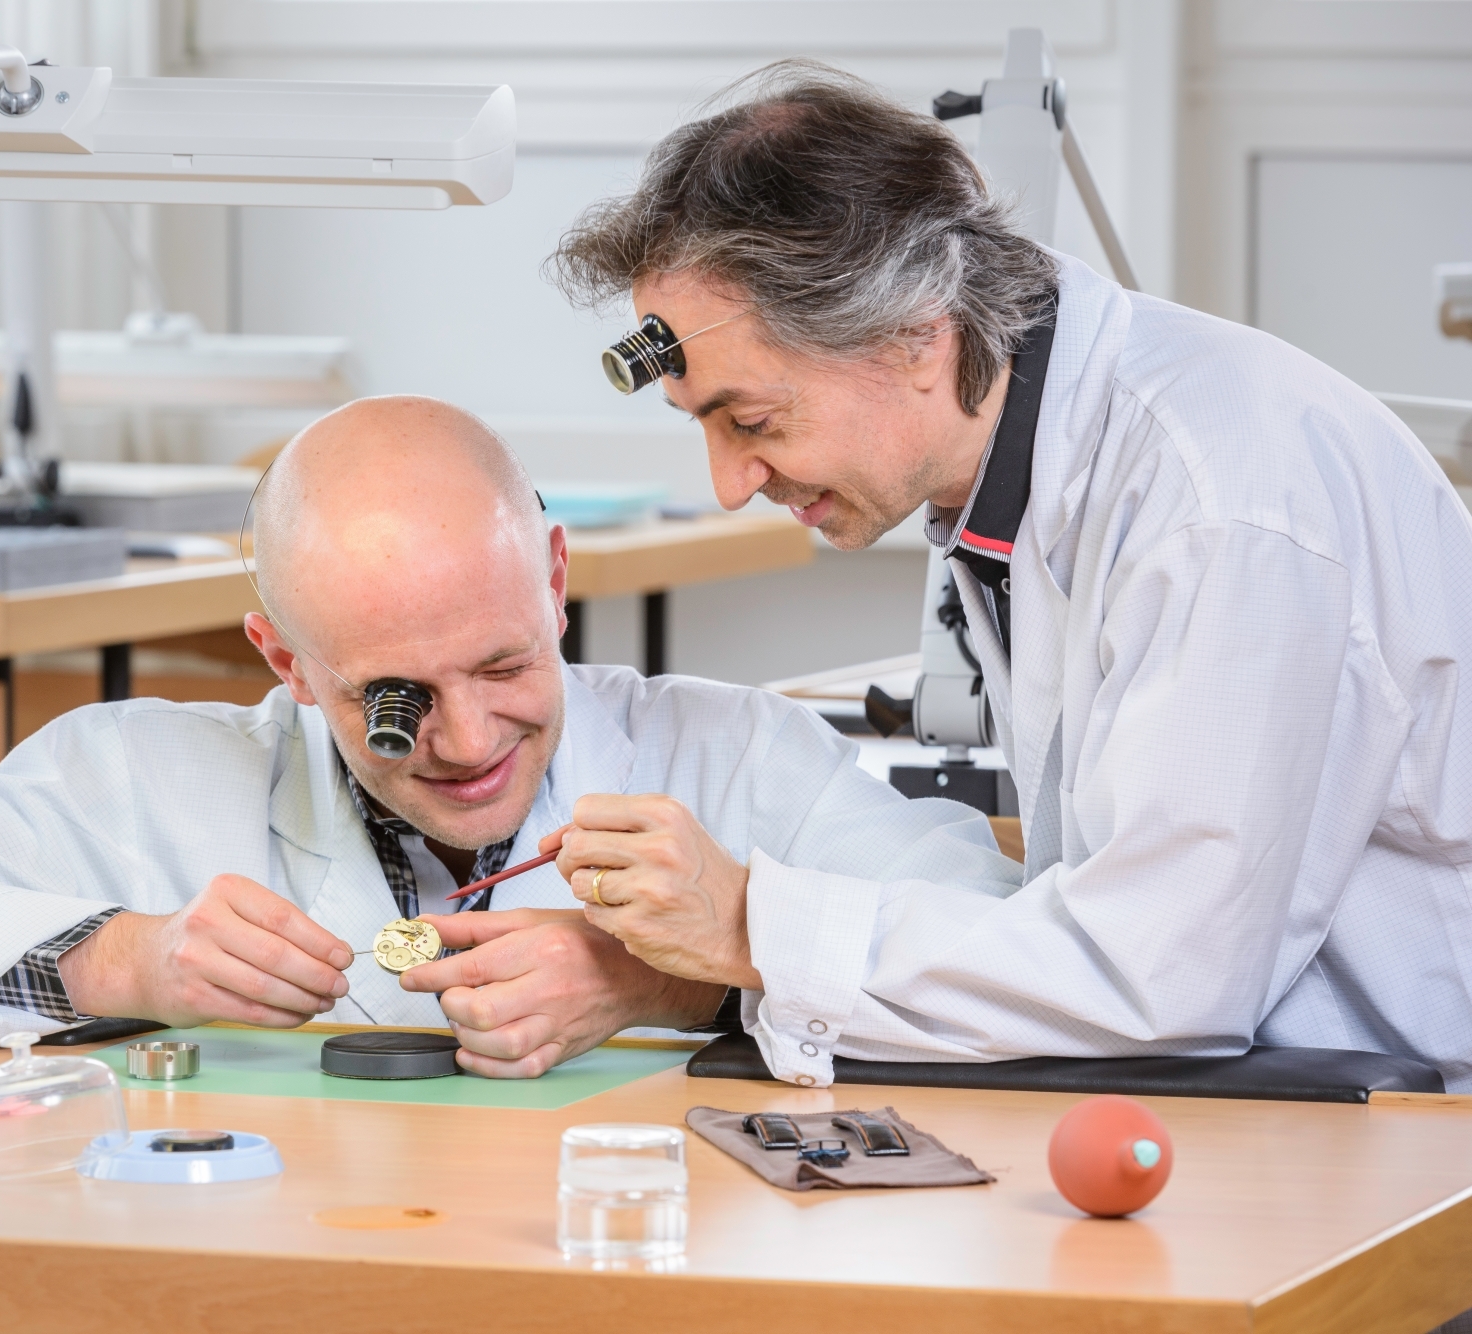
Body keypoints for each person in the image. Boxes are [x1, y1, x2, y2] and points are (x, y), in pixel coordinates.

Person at [538, 60, 1472, 1091]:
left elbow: (1160, 976)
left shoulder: (1218, 500)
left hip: (1407, 1142)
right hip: (1266, 1097)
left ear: (912, 337)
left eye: (752, 420)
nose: (727, 481)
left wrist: (751, 924)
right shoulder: (1015, 487)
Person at [0, 395, 1019, 1070]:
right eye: (392, 697)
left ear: (556, 577)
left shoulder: (733, 760)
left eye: (505, 661)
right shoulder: (142, 779)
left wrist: (691, 973)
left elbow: (1014, 954)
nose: (462, 737)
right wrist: (112, 960)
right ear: (281, 654)